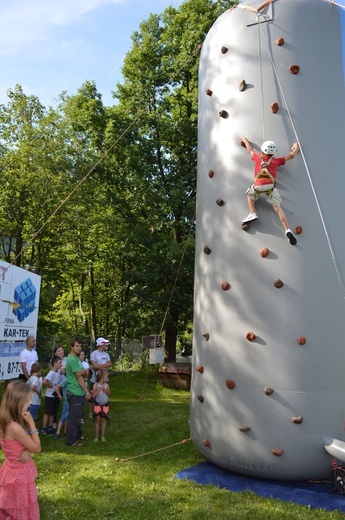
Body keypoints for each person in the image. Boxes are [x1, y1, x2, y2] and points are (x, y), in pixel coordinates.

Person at [241, 137, 300, 245]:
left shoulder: (257, 158)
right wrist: (296, 148)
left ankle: (253, 212)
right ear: (274, 153)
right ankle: (287, 229)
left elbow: (250, 150)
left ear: (263, 151)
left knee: (250, 197)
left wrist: (245, 141)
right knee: (278, 209)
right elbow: (291, 156)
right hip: (270, 187)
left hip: (258, 186)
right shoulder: (276, 161)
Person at [0, 380, 41, 520]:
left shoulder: (5, 420)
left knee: (14, 511)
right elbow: (37, 448)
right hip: (19, 478)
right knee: (21, 512)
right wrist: (32, 423)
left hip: (10, 472)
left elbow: (18, 446)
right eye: (28, 400)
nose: (29, 403)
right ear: (17, 402)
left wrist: (27, 450)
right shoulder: (15, 427)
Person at [65, 337, 91, 447]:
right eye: (76, 346)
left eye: (80, 346)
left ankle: (78, 435)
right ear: (71, 347)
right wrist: (87, 391)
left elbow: (84, 373)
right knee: (73, 418)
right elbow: (79, 376)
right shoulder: (71, 359)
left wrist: (83, 372)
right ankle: (71, 441)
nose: (79, 348)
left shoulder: (76, 359)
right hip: (75, 391)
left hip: (78, 391)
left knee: (78, 416)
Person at [41, 356, 62, 435]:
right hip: (50, 395)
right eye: (59, 363)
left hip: (55, 395)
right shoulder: (51, 372)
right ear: (55, 363)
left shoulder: (57, 372)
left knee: (53, 412)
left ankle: (50, 427)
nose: (61, 365)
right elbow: (45, 381)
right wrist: (52, 386)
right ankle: (43, 428)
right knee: (48, 412)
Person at [92, 369, 111, 442]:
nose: (107, 379)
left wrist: (106, 391)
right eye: (106, 377)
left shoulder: (107, 385)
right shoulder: (95, 385)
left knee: (104, 420)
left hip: (105, 405)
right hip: (98, 405)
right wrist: (99, 389)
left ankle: (103, 436)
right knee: (97, 420)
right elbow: (93, 395)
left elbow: (110, 395)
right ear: (102, 377)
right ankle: (96, 437)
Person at [79, 350, 89, 423]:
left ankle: (81, 416)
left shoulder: (86, 364)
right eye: (81, 355)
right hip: (77, 385)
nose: (82, 356)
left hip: (83, 385)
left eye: (83, 355)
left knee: (82, 402)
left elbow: (86, 375)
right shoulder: (75, 363)